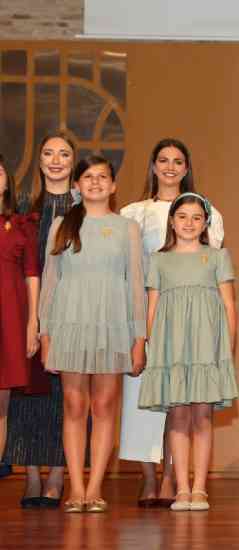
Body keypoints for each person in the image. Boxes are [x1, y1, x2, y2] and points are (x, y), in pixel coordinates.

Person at [119, 138, 225, 508]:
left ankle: (172, 478)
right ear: (152, 165)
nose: (169, 167)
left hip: (191, 320)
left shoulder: (206, 211)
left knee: (182, 402)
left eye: (177, 161)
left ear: (186, 168)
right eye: (162, 160)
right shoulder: (133, 212)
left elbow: (209, 267)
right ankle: (149, 477)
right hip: (148, 312)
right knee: (143, 402)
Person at [39, 156, 146, 513]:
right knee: (73, 405)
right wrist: (45, 333)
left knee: (103, 406)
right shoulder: (61, 225)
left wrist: (139, 338)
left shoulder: (127, 228)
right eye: (88, 176)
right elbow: (50, 283)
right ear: (77, 185)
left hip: (112, 326)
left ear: (114, 186)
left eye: (102, 177)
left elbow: (136, 286)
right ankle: (76, 487)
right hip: (69, 324)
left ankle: (95, 487)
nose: (95, 182)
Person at [138, 192, 238, 512]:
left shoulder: (217, 256)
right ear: (171, 221)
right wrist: (152, 345)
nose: (189, 223)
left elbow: (229, 305)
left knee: (203, 416)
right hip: (172, 347)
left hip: (207, 346)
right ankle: (181, 488)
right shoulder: (159, 259)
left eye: (197, 218)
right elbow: (152, 307)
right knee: (179, 416)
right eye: (182, 217)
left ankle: (199, 488)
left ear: (206, 223)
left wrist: (227, 346)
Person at [4, 131, 76, 508]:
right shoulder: (22, 207)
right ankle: (31, 473)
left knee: (67, 396)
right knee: (28, 395)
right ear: (40, 161)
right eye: (49, 153)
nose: (56, 160)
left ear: (73, 161)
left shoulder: (83, 206)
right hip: (29, 310)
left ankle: (58, 475)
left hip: (73, 311)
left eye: (64, 154)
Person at [0, 154, 41, 480]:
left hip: (9, 318)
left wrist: (32, 323)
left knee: (1, 402)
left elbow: (31, 275)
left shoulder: (21, 224)